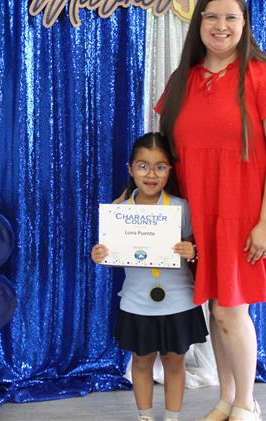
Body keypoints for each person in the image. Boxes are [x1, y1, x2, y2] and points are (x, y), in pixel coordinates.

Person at [155, 0, 266, 421]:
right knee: (215, 309)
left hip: (245, 216)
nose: (220, 26)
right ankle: (226, 398)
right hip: (200, 216)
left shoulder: (265, 77)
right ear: (199, 22)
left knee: (228, 310)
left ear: (244, 24)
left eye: (230, 17)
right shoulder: (183, 80)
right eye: (212, 16)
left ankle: (246, 404)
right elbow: (167, 156)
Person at [92, 132, 208, 421]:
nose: (151, 174)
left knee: (174, 362)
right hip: (137, 302)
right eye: (143, 166)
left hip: (178, 301)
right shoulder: (118, 212)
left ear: (170, 170)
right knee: (141, 362)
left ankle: (172, 417)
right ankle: (145, 416)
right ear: (131, 169)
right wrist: (100, 255)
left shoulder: (181, 208)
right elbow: (113, 254)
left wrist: (192, 250)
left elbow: (196, 250)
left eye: (160, 166)